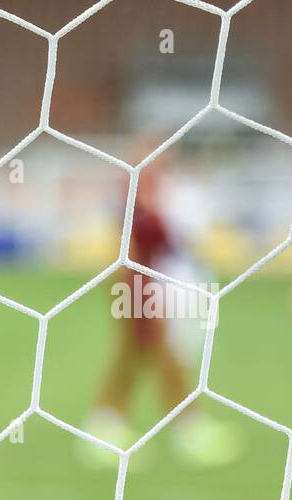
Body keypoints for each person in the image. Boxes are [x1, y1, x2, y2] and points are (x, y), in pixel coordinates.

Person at [84, 163, 238, 468]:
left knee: (139, 357)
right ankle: (187, 430)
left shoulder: (153, 209)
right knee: (158, 356)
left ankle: (106, 425)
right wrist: (133, 294)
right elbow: (125, 254)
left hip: (149, 287)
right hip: (137, 289)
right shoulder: (134, 212)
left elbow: (171, 247)